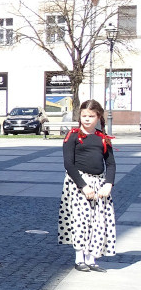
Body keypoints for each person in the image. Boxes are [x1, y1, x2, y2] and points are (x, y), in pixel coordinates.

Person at [58, 99, 116, 271]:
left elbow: (111, 164)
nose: (87, 119)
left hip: (99, 183)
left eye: (91, 116)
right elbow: (69, 164)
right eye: (84, 115)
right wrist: (83, 186)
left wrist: (108, 184)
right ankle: (79, 258)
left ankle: (92, 258)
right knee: (81, 220)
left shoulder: (102, 138)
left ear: (98, 117)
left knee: (98, 220)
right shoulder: (73, 136)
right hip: (79, 183)